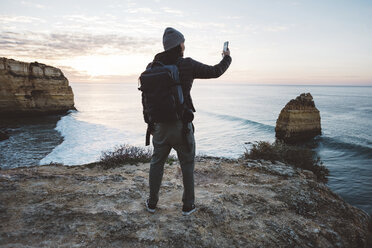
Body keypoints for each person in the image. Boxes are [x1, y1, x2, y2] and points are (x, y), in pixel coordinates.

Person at [145, 27, 231, 215]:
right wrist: (227, 57)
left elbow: (146, 98)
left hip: (159, 126)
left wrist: (150, 124)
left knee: (156, 163)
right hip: (181, 126)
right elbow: (216, 71)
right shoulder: (187, 64)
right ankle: (188, 205)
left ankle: (152, 203)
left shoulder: (152, 67)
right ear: (179, 45)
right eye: (183, 42)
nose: (184, 45)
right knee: (187, 165)